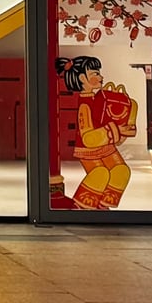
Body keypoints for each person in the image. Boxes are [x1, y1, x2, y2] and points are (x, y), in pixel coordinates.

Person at [50, 54, 135, 211]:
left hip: (107, 147)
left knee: (121, 170)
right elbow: (88, 138)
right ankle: (82, 206)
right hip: (89, 151)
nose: (100, 77)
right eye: (95, 73)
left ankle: (101, 205)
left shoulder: (100, 98)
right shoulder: (84, 105)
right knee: (99, 173)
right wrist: (115, 130)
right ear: (82, 78)